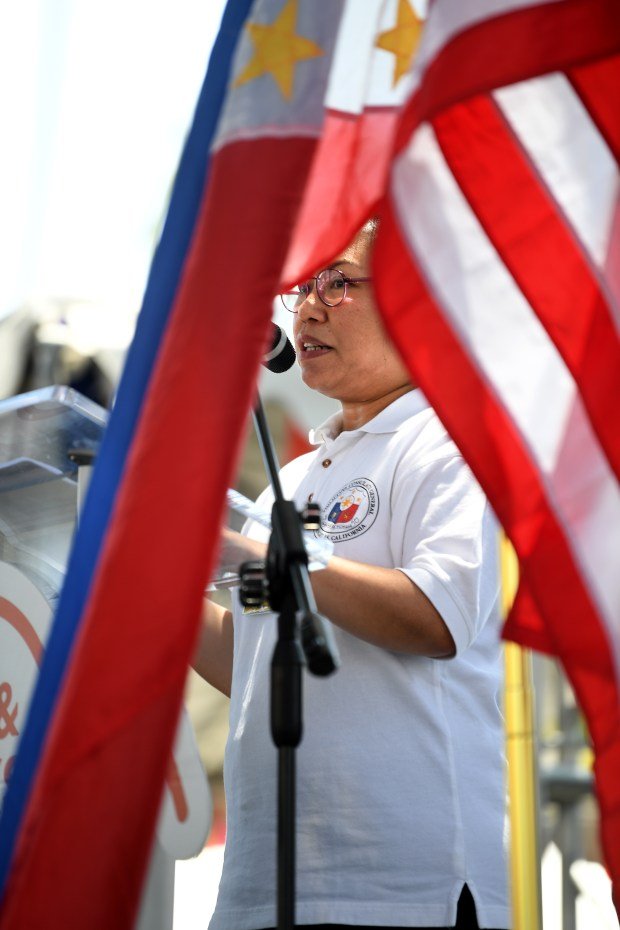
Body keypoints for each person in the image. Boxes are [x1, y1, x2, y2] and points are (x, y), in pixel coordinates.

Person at [194, 221, 511, 930]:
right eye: (302, 288)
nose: (306, 308)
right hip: (263, 887)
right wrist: (157, 572)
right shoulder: (293, 479)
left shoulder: (449, 441)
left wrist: (243, 553)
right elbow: (248, 659)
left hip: (404, 891)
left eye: (335, 282)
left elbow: (436, 617)